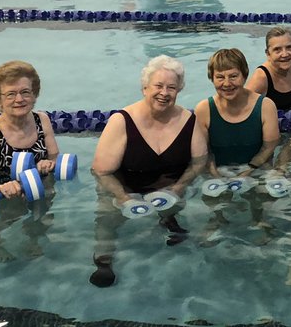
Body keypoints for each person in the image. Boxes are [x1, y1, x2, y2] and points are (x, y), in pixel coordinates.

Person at [89, 55, 208, 287]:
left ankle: (168, 219)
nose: (164, 92)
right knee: (107, 216)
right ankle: (103, 260)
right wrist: (122, 197)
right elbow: (101, 172)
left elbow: (199, 162)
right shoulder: (122, 121)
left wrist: (179, 187)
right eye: (158, 86)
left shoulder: (188, 120)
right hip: (124, 183)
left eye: (171, 87)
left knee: (176, 200)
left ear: (179, 90)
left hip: (167, 185)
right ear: (145, 88)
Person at [0, 60, 61, 262]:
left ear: (34, 94)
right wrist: (2, 188)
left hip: (39, 184)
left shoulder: (42, 120)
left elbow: (55, 156)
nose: (19, 99)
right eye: (10, 94)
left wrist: (48, 164)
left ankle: (33, 240)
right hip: (8, 193)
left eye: (25, 92)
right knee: (9, 218)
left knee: (41, 214)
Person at [196, 48, 281, 171]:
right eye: (220, 77)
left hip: (257, 170)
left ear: (244, 76)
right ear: (212, 79)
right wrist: (215, 175)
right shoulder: (204, 110)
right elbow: (203, 153)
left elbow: (269, 148)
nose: (227, 84)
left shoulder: (265, 106)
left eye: (233, 76)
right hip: (218, 172)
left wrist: (249, 170)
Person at [246, 26, 291, 112]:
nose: (285, 54)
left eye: (289, 47)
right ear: (268, 54)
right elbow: (241, 109)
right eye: (277, 50)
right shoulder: (261, 79)